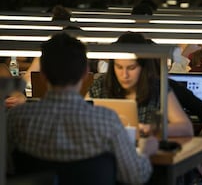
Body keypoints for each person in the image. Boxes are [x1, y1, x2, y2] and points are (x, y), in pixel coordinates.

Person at [7, 33, 159, 184]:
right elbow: (134, 177)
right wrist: (145, 151)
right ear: (86, 73)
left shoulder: (16, 118)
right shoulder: (107, 120)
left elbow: (6, 169)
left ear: (42, 74)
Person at [88, 33, 194, 138]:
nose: (124, 75)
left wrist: (151, 128)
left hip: (147, 151)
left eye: (131, 68)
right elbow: (81, 119)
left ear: (143, 67)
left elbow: (186, 128)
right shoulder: (100, 86)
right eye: (119, 67)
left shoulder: (158, 89)